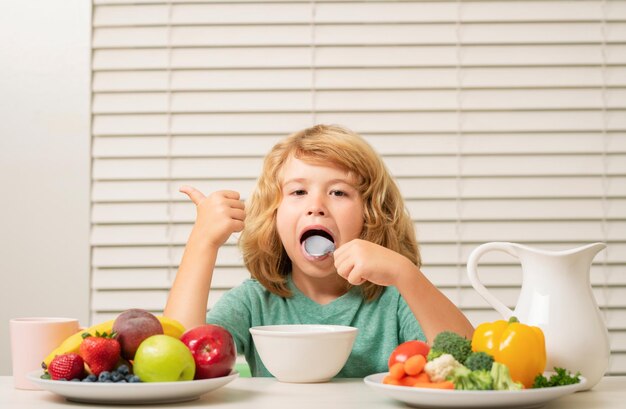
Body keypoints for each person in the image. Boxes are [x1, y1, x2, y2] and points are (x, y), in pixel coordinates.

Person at [164, 124, 474, 377]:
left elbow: (471, 363)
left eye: (338, 192)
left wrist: (406, 274)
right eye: (298, 192)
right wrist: (202, 243)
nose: (316, 207)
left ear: (371, 215)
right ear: (273, 214)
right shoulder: (255, 301)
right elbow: (177, 361)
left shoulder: (394, 300)